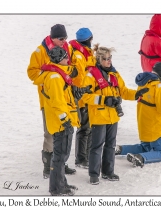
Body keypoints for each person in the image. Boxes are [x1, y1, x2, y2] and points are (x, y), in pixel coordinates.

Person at [81, 44, 148, 185]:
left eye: (110, 58)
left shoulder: (114, 74)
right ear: (99, 60)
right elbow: (84, 97)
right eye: (105, 59)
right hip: (99, 116)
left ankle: (108, 171)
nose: (109, 61)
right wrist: (104, 100)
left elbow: (123, 91)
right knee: (97, 146)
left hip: (113, 116)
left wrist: (136, 94)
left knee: (111, 145)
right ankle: (94, 174)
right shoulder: (90, 75)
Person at [27, 24, 76, 178]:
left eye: (66, 38)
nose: (64, 41)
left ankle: (61, 163)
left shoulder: (67, 48)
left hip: (64, 98)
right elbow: (32, 73)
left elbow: (71, 65)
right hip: (48, 99)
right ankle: (48, 167)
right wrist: (50, 71)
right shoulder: (40, 51)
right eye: (61, 38)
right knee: (50, 133)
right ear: (53, 37)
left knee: (64, 133)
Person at [33, 46, 80, 196]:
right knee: (59, 157)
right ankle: (56, 189)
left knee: (61, 156)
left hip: (59, 122)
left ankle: (61, 184)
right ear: (60, 60)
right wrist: (65, 121)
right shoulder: (55, 78)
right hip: (60, 124)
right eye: (66, 57)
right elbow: (57, 102)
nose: (68, 60)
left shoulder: (56, 75)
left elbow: (62, 98)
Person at [115, 62, 161, 167]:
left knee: (145, 147)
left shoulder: (143, 82)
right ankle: (141, 158)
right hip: (156, 126)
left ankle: (120, 149)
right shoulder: (159, 86)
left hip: (144, 123)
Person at [69, 28, 96, 169]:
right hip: (82, 96)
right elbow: (79, 77)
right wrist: (83, 91)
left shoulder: (83, 52)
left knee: (88, 126)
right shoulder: (79, 55)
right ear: (89, 39)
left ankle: (86, 156)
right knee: (84, 128)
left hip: (87, 94)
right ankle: (81, 159)